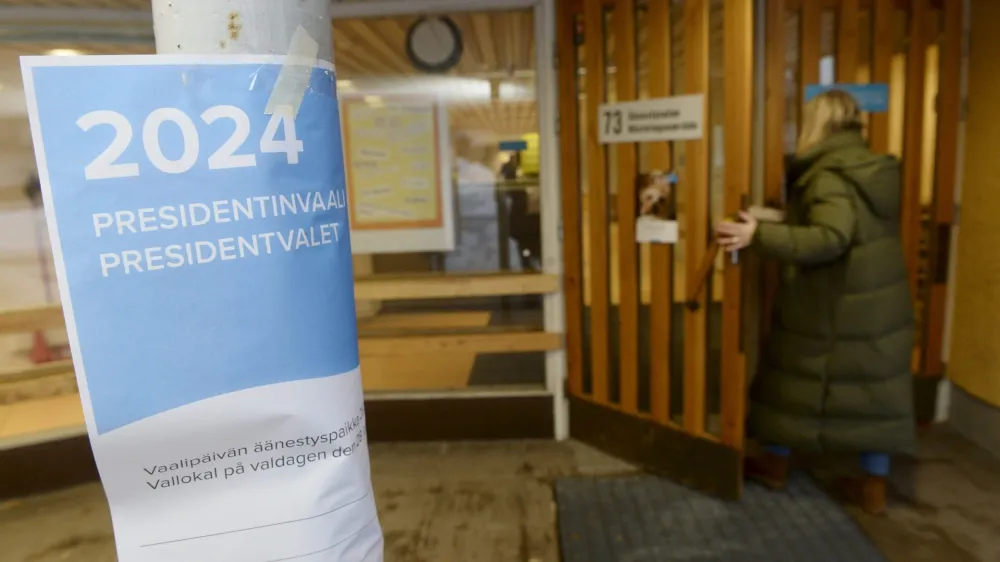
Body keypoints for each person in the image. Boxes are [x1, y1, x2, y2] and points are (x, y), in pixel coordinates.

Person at [715, 90, 916, 515]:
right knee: (874, 395)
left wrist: (759, 236)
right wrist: (781, 221)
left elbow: (831, 237)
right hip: (874, 303)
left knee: (790, 378)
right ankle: (872, 488)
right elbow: (844, 225)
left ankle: (773, 464)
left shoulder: (828, 174)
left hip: (833, 304)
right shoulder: (866, 168)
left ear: (817, 124)